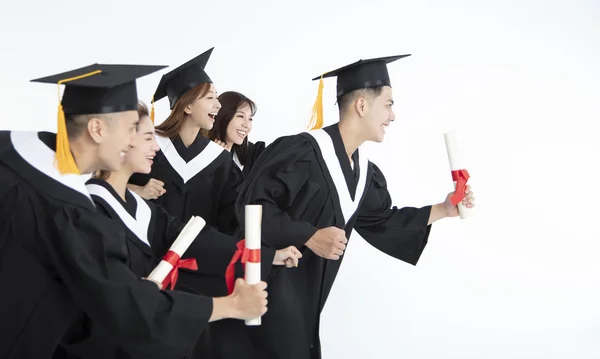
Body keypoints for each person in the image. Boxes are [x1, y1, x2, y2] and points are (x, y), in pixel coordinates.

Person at [0, 63, 269, 359]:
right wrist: (230, 305)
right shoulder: (72, 214)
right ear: (97, 129)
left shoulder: (10, 154)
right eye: (132, 129)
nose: (134, 142)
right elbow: (125, 305)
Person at [235, 54, 476, 359]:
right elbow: (251, 206)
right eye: (388, 104)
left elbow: (381, 221)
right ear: (362, 106)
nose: (393, 116)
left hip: (306, 308)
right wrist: (309, 235)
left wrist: (443, 209)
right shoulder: (301, 152)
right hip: (261, 298)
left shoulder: (363, 173)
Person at [59, 101, 300, 359]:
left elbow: (198, 240)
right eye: (148, 137)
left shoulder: (144, 211)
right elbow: (128, 301)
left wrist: (266, 255)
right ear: (121, 139)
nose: (156, 146)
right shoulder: (86, 213)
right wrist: (229, 305)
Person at [128, 48, 241, 236]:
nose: (218, 105)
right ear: (188, 106)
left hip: (199, 260)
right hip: (146, 257)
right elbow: (106, 185)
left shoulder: (219, 159)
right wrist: (138, 190)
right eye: (210, 97)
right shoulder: (148, 144)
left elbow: (233, 218)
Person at [203, 91, 266, 178]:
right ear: (223, 116)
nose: (246, 125)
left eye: (250, 119)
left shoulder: (254, 154)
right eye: (240, 116)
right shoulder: (201, 152)